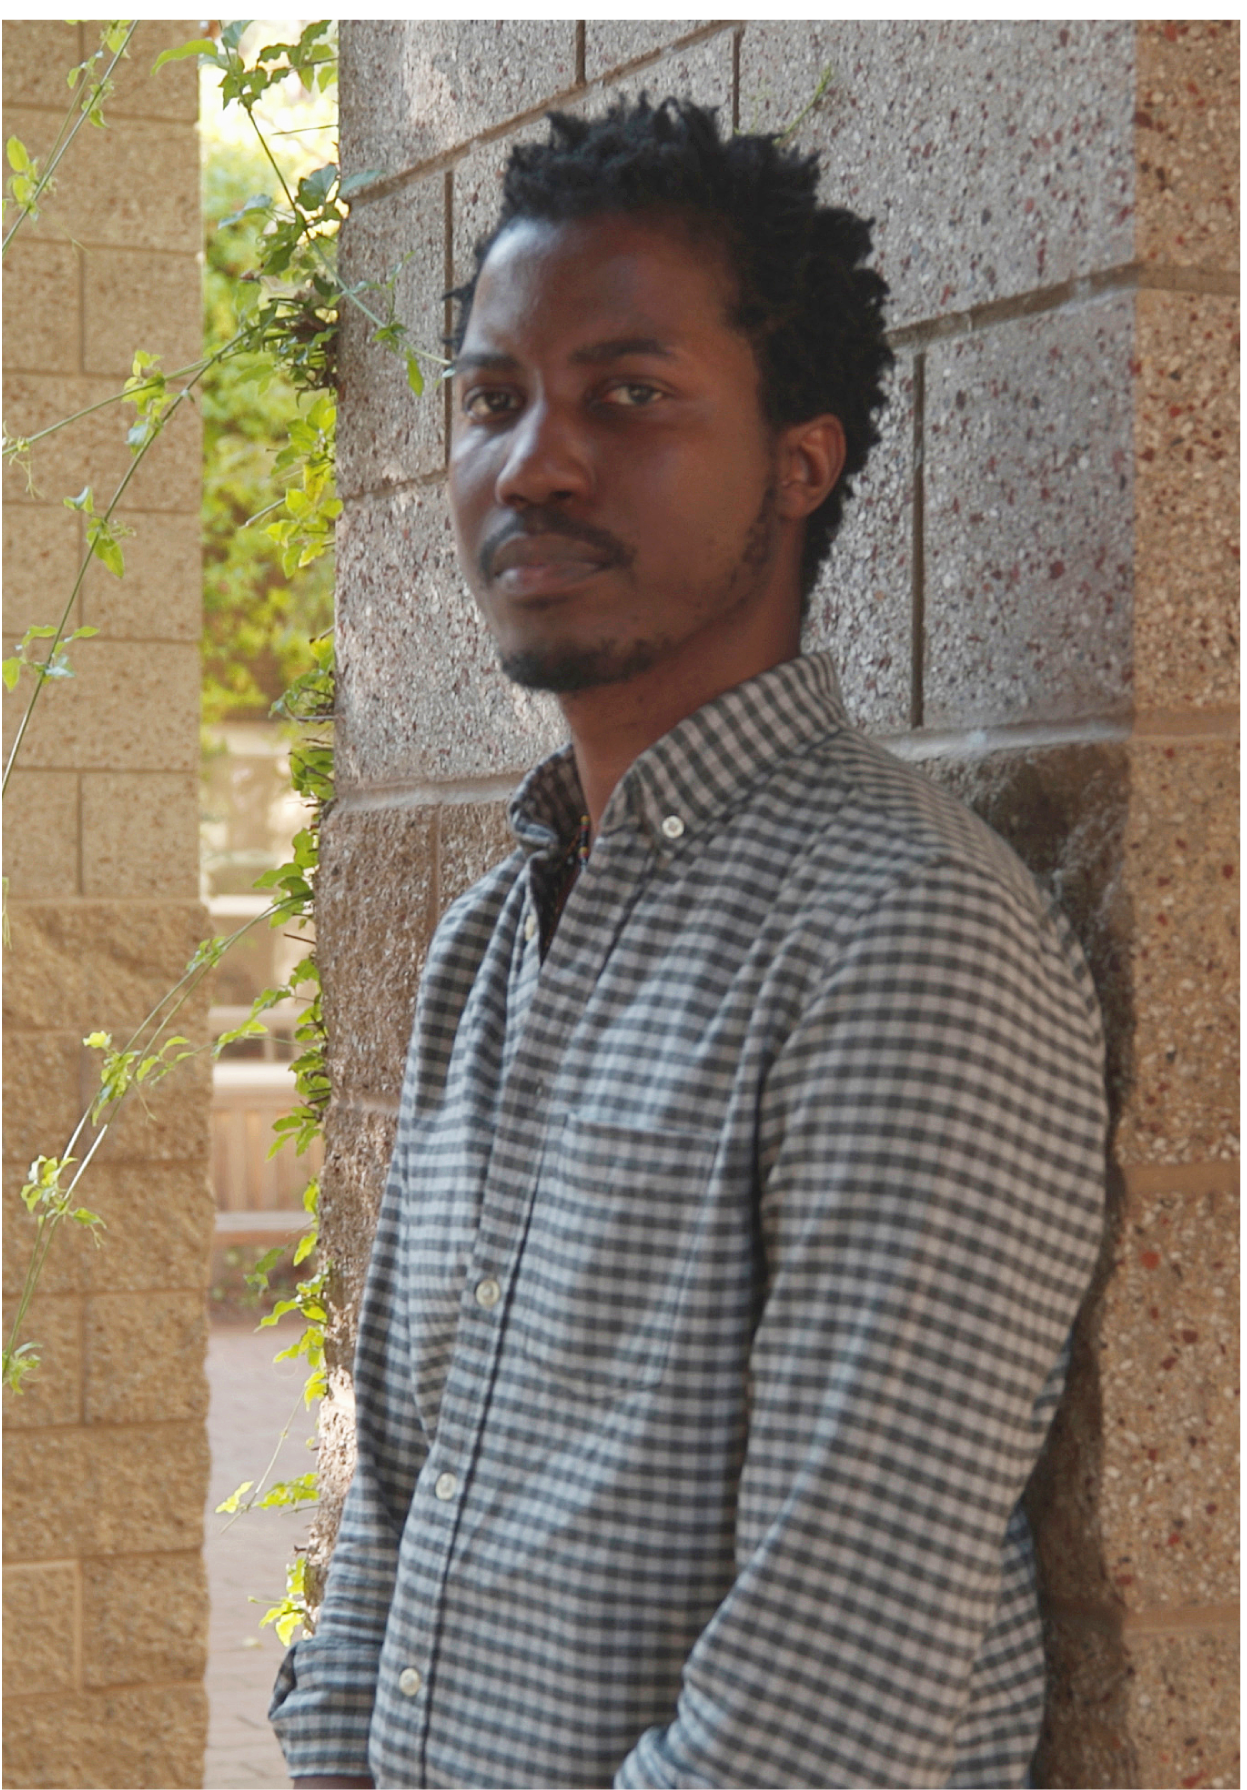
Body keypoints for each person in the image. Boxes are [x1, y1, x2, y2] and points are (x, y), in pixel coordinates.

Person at [271, 99, 1105, 1790]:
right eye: (494, 402)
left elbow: (834, 1674)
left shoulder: (903, 933)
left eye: (629, 395)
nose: (538, 461)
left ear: (803, 455)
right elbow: (396, 1496)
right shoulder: (483, 944)